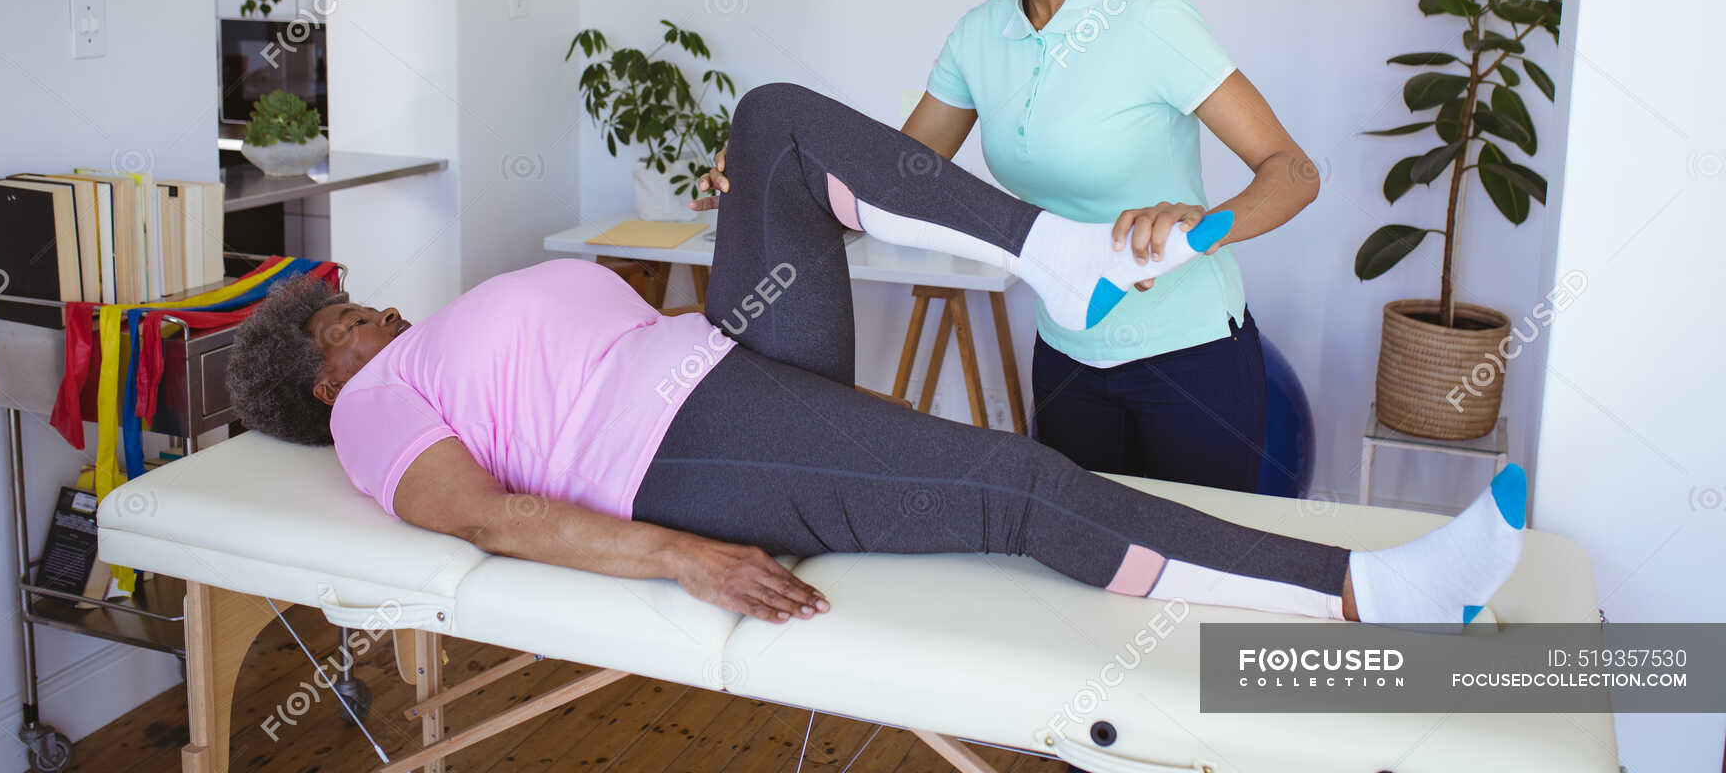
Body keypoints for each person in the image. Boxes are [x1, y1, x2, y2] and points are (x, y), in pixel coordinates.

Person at [227, 82, 1525, 631]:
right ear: (322, 372)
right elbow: (496, 520)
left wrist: (748, 205)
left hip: (722, 363)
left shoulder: (431, 340)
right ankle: (1368, 595)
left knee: (777, 124)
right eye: (346, 319)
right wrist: (682, 557)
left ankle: (1060, 254)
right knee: (1018, 482)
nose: (374, 315)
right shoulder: (373, 411)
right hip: (679, 452)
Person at [695, 0, 1317, 494]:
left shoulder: (1150, 21)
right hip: (1066, 352)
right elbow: (893, 178)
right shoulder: (977, 38)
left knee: (1198, 578)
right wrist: (769, 170)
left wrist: (1201, 222)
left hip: (1190, 357)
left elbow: (1291, 171)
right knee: (1088, 574)